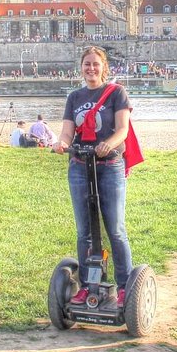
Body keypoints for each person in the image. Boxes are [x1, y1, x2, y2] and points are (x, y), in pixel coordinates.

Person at [52, 46, 136, 308]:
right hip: (79, 164)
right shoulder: (74, 97)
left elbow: (122, 130)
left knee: (115, 229)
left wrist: (108, 144)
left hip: (109, 165)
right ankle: (89, 284)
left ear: (104, 67)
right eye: (87, 64)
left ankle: (124, 286)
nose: (91, 69)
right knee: (84, 232)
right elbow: (68, 131)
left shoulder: (116, 93)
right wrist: (62, 143)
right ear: (81, 67)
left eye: (95, 64)